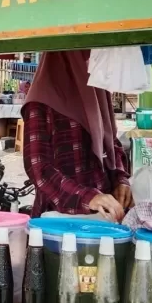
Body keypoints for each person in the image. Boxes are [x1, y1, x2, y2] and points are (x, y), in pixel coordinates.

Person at [21, 50, 131, 221]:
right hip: (60, 223)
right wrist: (87, 198)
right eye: (87, 54)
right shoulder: (40, 102)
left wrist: (121, 180)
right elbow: (38, 168)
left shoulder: (97, 91)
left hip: (105, 218)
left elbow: (111, 143)